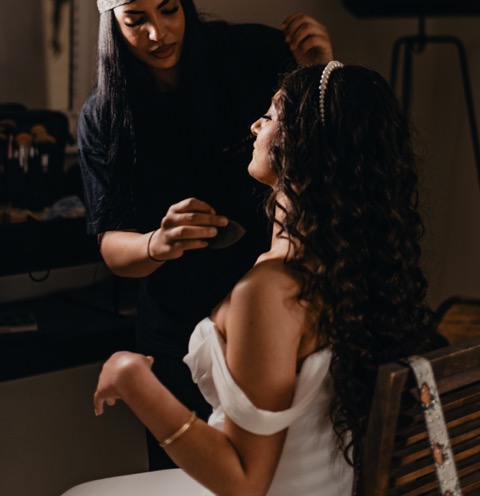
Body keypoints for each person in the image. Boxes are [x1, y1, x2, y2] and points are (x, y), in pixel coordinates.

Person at [91, 62, 438, 496]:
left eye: (271, 115)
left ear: (304, 145)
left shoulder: (272, 291)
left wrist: (133, 380)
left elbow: (244, 483)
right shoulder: (351, 265)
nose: (256, 125)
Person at [76, 0, 333, 469]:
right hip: (178, 333)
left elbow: (325, 158)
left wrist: (320, 75)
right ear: (112, 25)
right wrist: (155, 244)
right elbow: (111, 244)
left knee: (279, 472)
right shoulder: (103, 117)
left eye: (168, 9)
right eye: (135, 20)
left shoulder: (252, 54)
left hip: (273, 315)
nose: (158, 33)